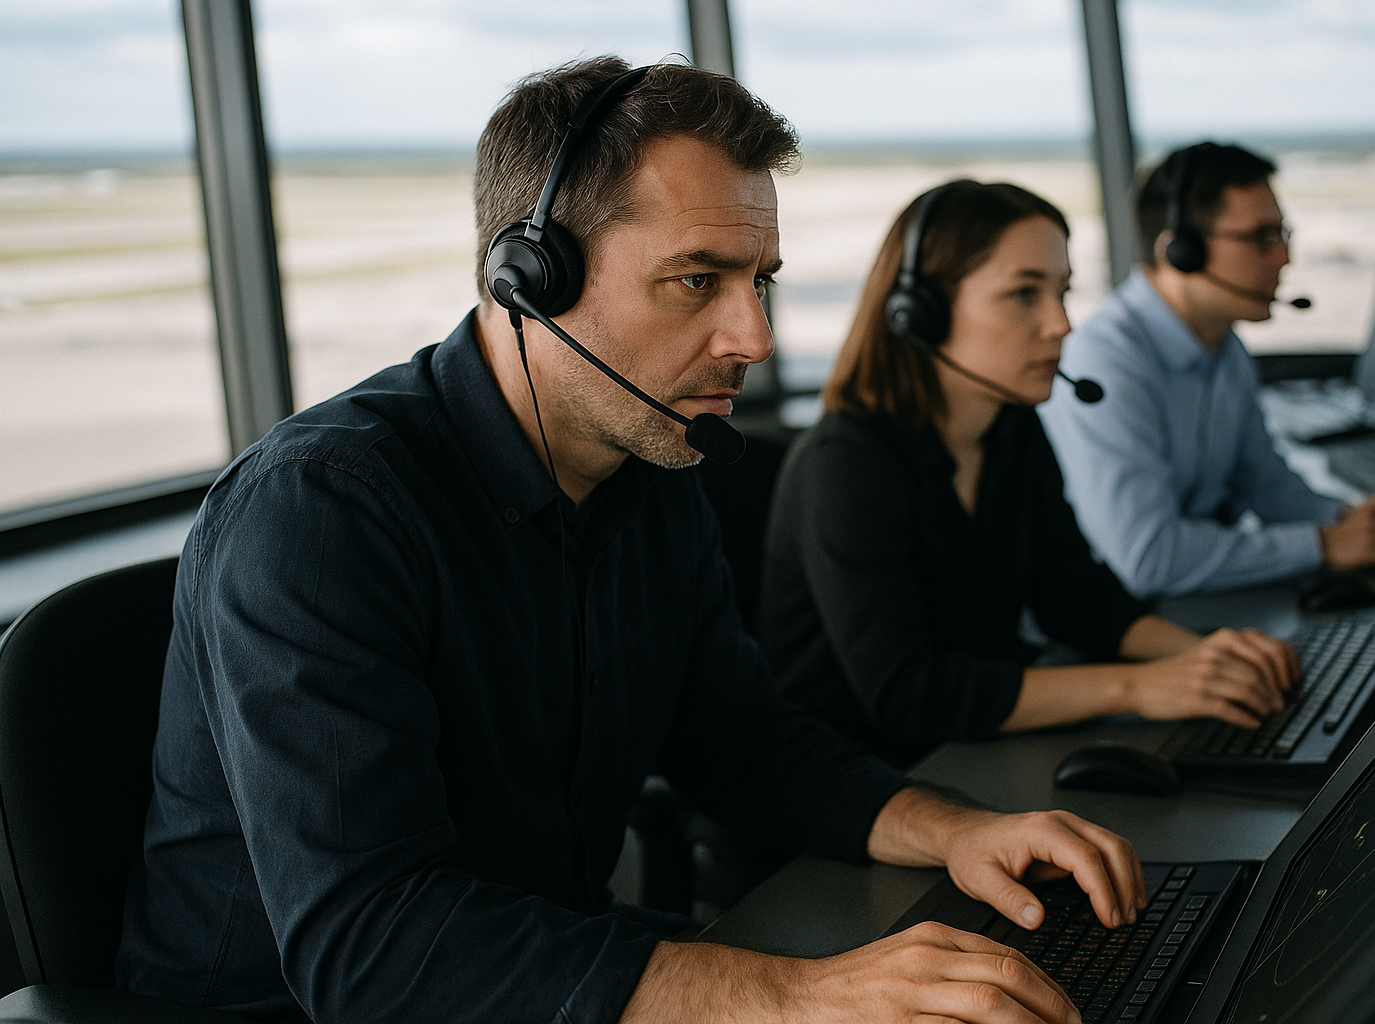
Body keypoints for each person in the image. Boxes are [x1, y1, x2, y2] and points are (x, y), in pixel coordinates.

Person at [116, 59, 1147, 1024]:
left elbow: (741, 744)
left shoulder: (650, 466)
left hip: (549, 972)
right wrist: (795, 995)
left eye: (762, 280)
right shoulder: (323, 511)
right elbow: (371, 947)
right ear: (532, 276)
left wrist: (958, 828)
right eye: (697, 280)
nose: (753, 338)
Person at [758, 180, 1299, 772]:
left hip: (968, 756)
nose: (1061, 325)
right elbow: (910, 692)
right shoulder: (847, 465)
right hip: (854, 787)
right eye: (1024, 294)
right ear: (920, 313)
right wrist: (1141, 686)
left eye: (1062, 292)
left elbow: (1074, 595)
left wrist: (1206, 657)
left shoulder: (1011, 430)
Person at [1039, 142, 1375, 599]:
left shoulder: (1224, 348)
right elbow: (1149, 558)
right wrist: (1323, 545)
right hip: (1117, 618)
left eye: (1283, 235)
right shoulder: (1105, 364)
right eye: (1261, 238)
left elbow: (1267, 484)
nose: (1283, 259)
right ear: (1181, 252)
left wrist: (1348, 522)